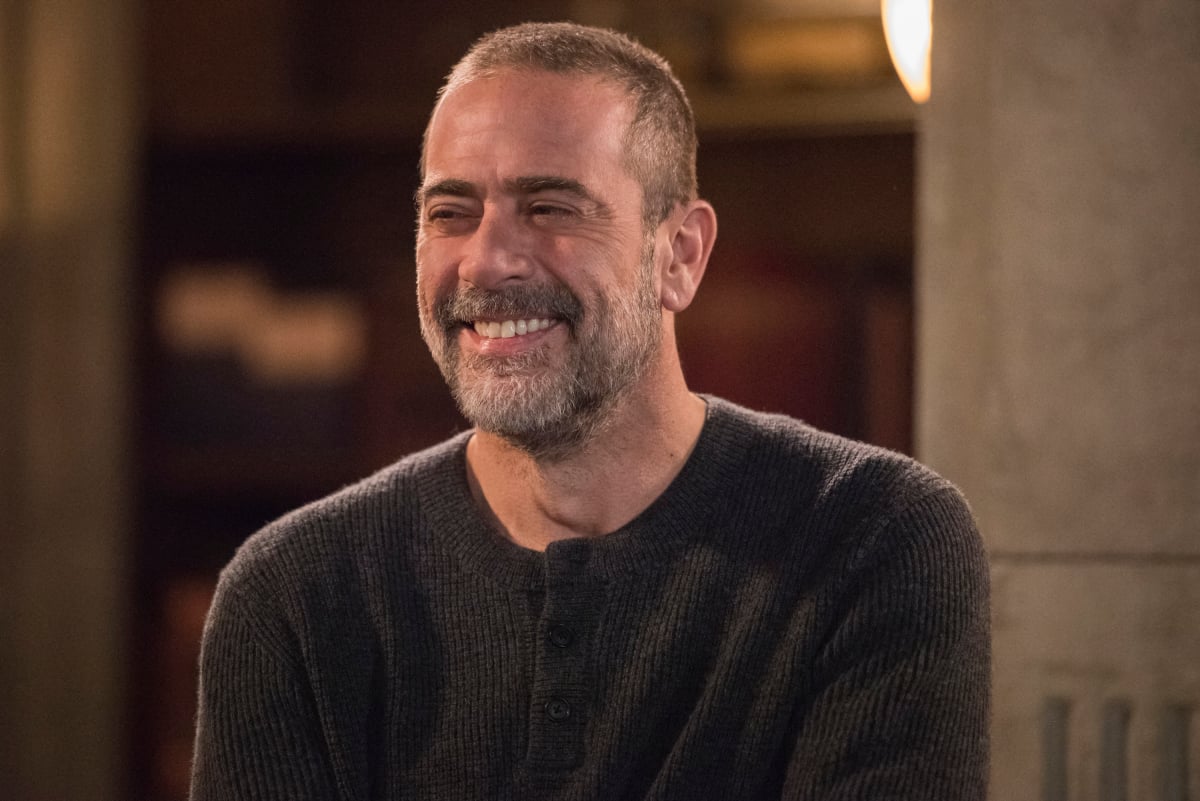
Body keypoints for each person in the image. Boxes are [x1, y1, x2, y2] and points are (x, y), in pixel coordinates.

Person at [189, 21, 990, 801]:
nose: (487, 260)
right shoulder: (293, 596)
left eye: (550, 207)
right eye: (450, 213)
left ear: (680, 255)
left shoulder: (873, 539)